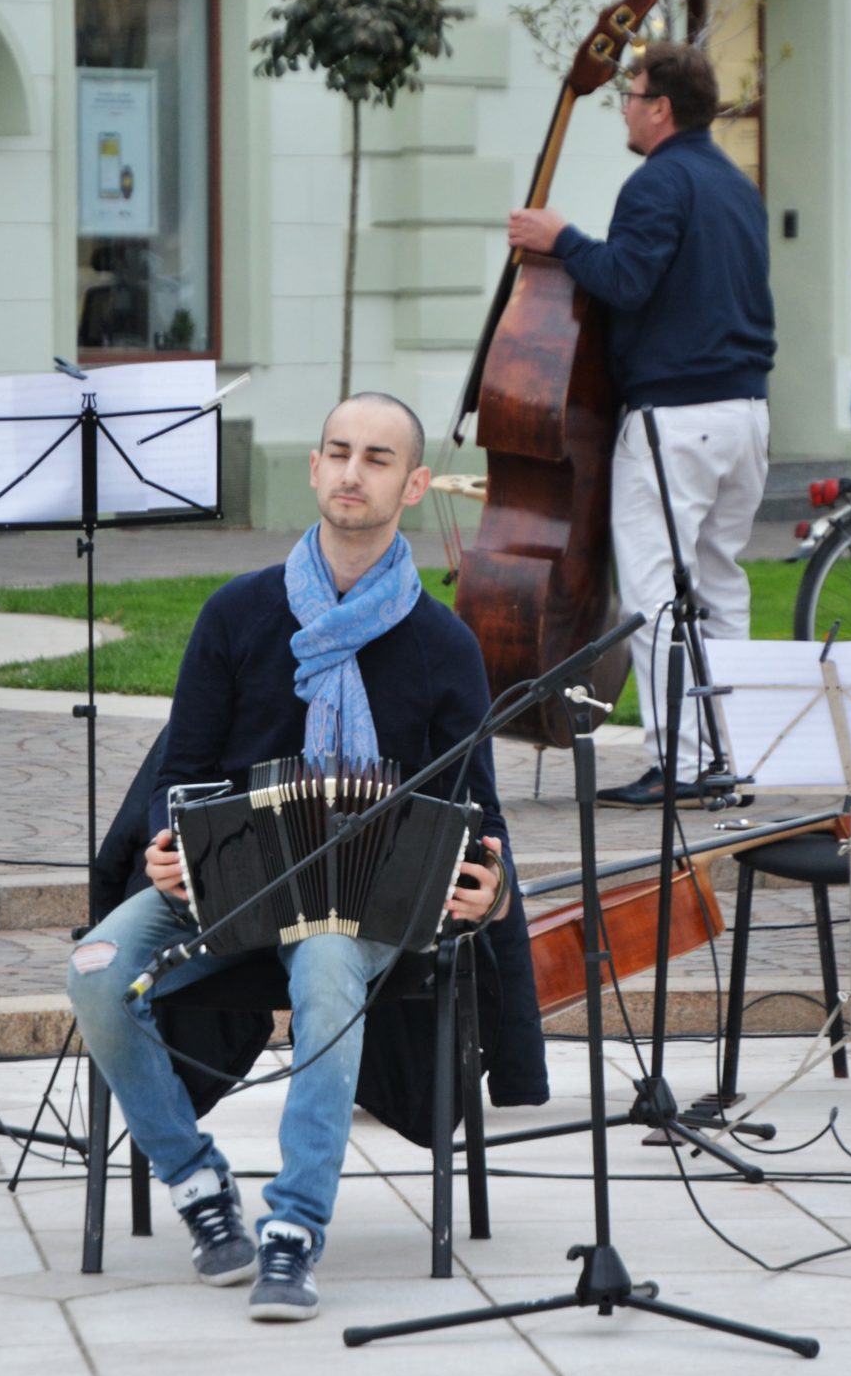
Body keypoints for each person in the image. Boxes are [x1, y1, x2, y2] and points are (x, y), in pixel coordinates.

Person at [67, 393, 519, 1324]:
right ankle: (197, 1182)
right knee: (95, 969)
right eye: (339, 453)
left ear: (416, 483)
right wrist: (166, 843)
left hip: (363, 904)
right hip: (225, 882)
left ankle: (293, 1230)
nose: (354, 472)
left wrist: (492, 886)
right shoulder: (238, 615)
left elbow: (479, 809)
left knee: (322, 964)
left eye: (379, 458)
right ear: (314, 468)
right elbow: (182, 770)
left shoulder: (443, 645)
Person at [506, 41, 774, 809]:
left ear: (660, 107)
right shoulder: (733, 182)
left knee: (653, 596)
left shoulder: (658, 181)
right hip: (747, 413)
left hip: (677, 417)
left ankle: (684, 765)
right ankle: (733, 755)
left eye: (630, 93)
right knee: (721, 587)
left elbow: (627, 278)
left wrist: (562, 240)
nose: (622, 105)